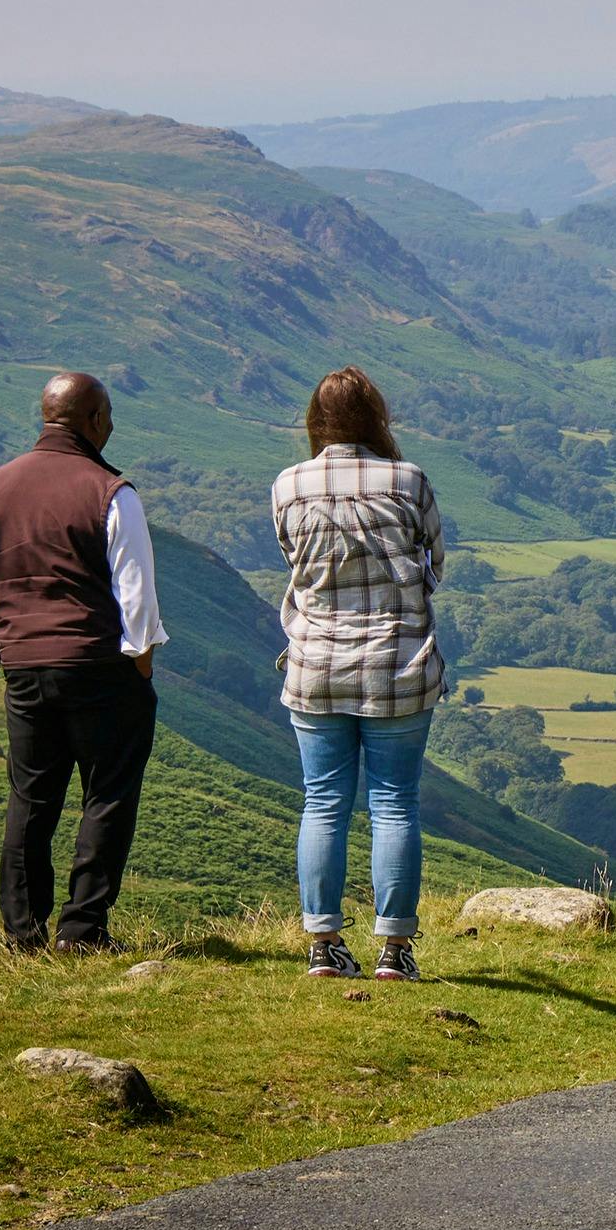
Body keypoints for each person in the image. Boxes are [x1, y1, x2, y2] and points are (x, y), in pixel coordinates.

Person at [0, 371, 165, 955]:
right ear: (94, 420)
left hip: (23, 667)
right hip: (99, 665)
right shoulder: (111, 492)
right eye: (110, 415)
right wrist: (139, 666)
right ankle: (84, 928)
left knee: (31, 798)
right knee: (108, 794)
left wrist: (4, 648)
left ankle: (23, 935)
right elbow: (137, 596)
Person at [272, 367, 447, 979]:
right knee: (395, 803)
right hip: (399, 664)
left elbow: (293, 560)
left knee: (323, 803)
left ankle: (324, 946)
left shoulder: (289, 486)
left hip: (315, 666)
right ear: (377, 416)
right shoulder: (409, 480)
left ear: (315, 421)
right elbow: (435, 562)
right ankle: (395, 952)